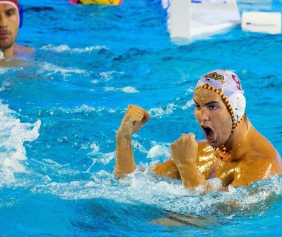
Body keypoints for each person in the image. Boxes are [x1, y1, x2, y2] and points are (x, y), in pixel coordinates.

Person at [115, 69, 282, 190]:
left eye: (212, 106)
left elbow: (213, 218)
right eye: (198, 106)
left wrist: (187, 166)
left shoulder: (263, 164)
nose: (203, 116)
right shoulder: (200, 151)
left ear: (236, 107)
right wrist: (123, 137)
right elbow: (129, 183)